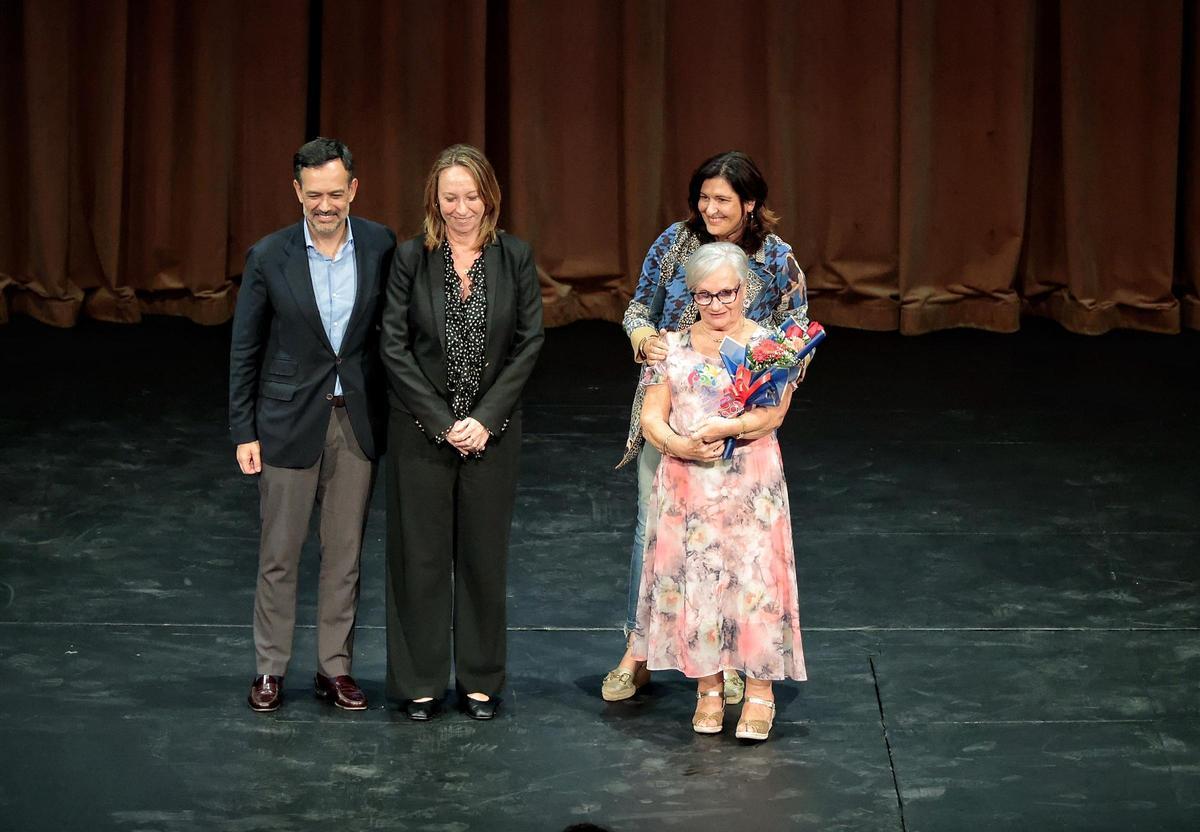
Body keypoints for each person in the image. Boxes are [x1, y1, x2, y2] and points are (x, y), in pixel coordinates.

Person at [603, 151, 810, 704]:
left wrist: (769, 392)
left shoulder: (776, 259)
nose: (710, 208)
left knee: (739, 548)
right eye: (703, 197)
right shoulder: (675, 242)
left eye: (723, 199)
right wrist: (644, 341)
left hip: (742, 424)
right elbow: (638, 311)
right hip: (671, 405)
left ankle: (735, 657)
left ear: (750, 203)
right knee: (658, 535)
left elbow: (796, 339)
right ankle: (639, 648)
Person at [229, 137, 396, 712]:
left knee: (344, 552)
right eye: (314, 194)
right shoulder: (268, 255)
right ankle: (270, 669)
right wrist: (243, 430)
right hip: (286, 421)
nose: (325, 205)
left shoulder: (380, 245)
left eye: (336, 193)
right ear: (296, 191)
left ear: (353, 189)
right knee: (280, 552)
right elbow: (244, 348)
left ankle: (334, 669)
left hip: (357, 421)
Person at [380, 144, 544, 721]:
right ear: (435, 201)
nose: (461, 207)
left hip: (490, 435)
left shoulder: (515, 257)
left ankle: (480, 679)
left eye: (471, 196)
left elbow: (528, 343)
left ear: (489, 198)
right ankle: (420, 682)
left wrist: (484, 418)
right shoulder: (410, 259)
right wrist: (443, 421)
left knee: (481, 558)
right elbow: (393, 347)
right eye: (450, 197)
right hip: (422, 434)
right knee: (418, 558)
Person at [631, 241, 807, 741]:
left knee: (755, 588)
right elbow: (650, 420)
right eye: (705, 296)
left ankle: (760, 694)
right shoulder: (671, 347)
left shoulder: (770, 347)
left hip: (751, 485)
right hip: (688, 488)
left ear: (744, 291)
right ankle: (708, 689)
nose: (717, 304)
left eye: (726, 293)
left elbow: (773, 415)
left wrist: (727, 429)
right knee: (698, 585)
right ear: (693, 296)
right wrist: (684, 444)